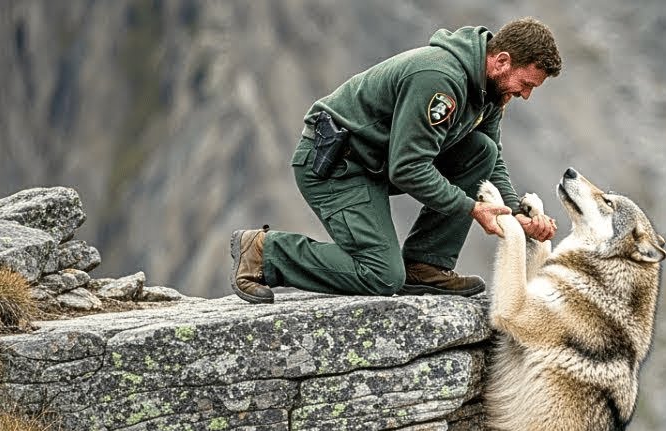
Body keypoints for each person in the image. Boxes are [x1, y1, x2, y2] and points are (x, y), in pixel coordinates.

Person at [229, 17, 561, 303]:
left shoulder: (491, 91)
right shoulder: (440, 79)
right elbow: (408, 169)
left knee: (481, 151)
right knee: (382, 276)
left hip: (376, 162)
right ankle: (264, 252)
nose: (526, 94)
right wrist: (472, 209)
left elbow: (490, 158)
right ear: (502, 60)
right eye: (526, 84)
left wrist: (515, 212)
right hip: (336, 166)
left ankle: (426, 265)